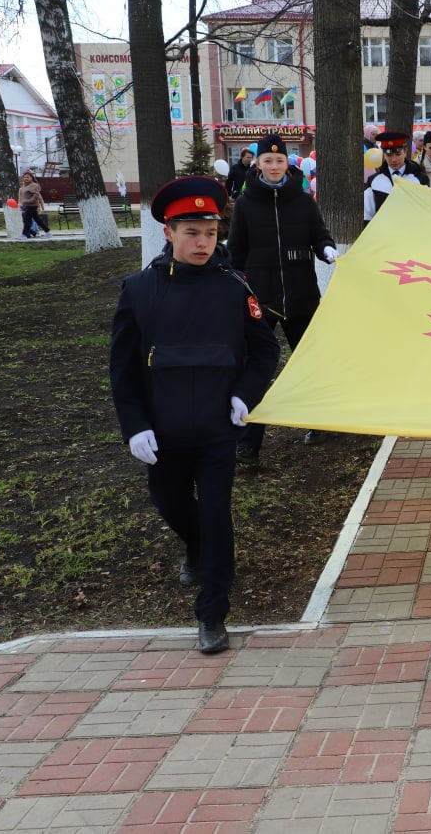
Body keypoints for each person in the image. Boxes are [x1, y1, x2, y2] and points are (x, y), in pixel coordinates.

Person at [109, 176, 280, 653]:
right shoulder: (140, 290)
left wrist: (246, 395)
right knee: (171, 505)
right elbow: (121, 370)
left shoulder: (234, 286)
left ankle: (212, 613)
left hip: (216, 429)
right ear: (169, 232)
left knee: (216, 515)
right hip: (162, 430)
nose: (204, 242)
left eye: (211, 232)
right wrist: (134, 425)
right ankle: (198, 547)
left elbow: (265, 351)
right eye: (192, 233)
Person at [227, 133, 337, 459]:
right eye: (267, 160)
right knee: (257, 367)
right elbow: (236, 252)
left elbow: (318, 233)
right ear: (257, 163)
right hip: (262, 300)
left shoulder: (302, 200)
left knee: (310, 361)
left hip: (302, 295)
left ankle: (316, 422)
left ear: (287, 162)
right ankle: (248, 440)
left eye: (279, 160)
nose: (274, 166)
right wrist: (234, 288)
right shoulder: (246, 203)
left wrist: (326, 248)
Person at [364, 130, 431, 224]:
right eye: (389, 155)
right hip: (384, 233)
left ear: (405, 151)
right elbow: (367, 214)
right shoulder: (374, 181)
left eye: (398, 154)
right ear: (384, 154)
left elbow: (426, 209)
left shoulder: (420, 179)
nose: (394, 159)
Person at [17, 172, 50, 239]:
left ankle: (24, 235)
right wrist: (21, 204)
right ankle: (48, 232)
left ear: (32, 178)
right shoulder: (24, 187)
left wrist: (26, 202)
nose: (26, 179)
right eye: (25, 177)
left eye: (28, 177)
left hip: (32, 205)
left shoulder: (34, 185)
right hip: (27, 206)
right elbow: (22, 197)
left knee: (27, 220)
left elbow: (36, 197)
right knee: (37, 220)